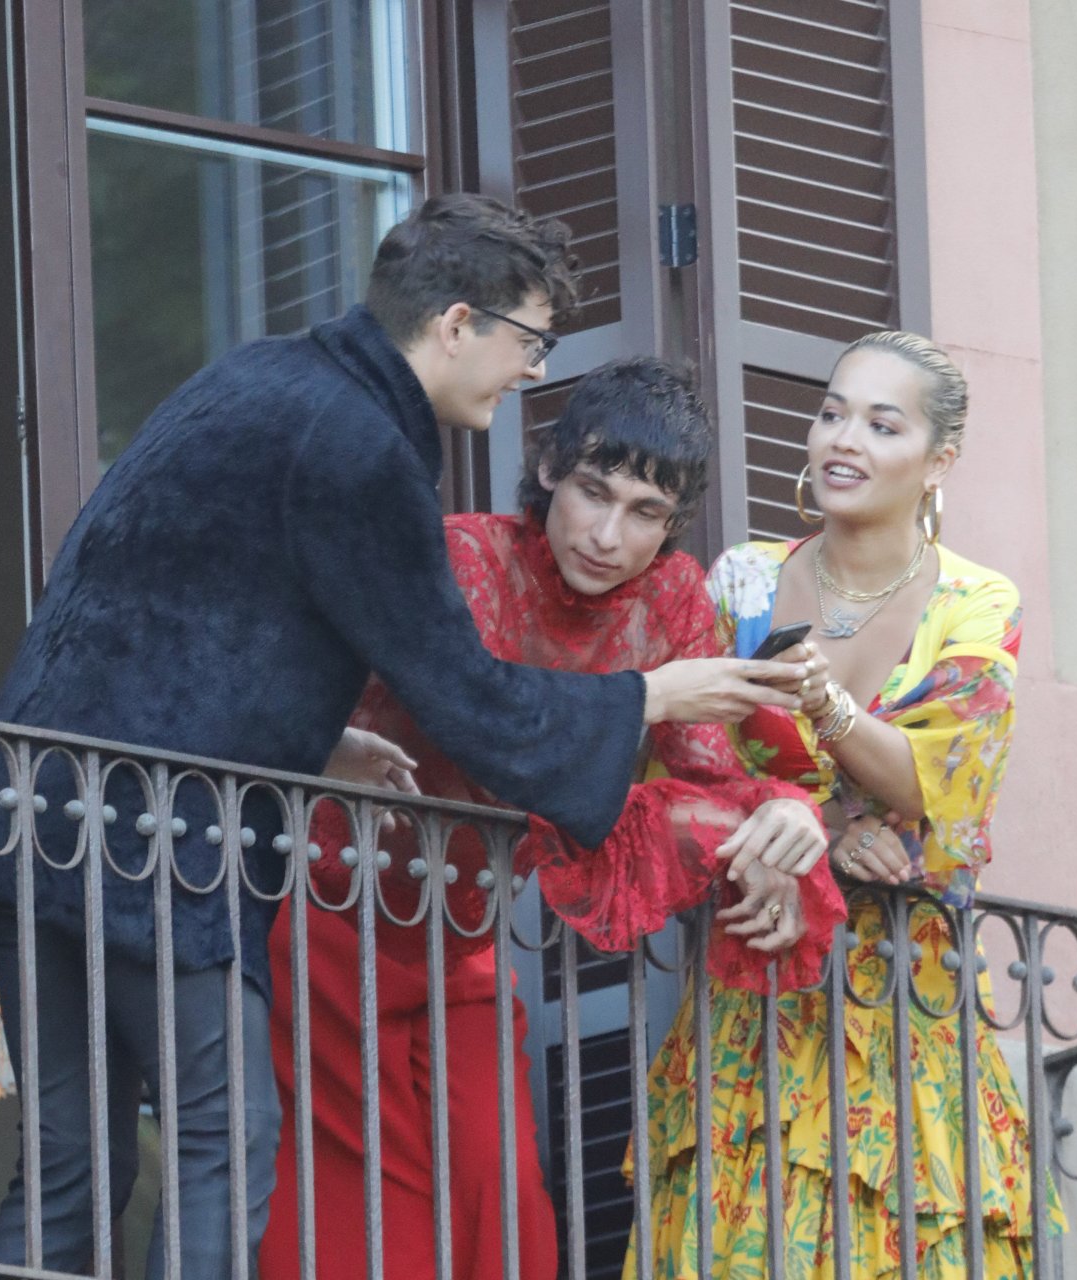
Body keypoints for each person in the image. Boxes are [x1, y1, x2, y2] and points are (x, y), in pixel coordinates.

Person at [0, 194, 810, 1278]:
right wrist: (647, 697)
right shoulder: (363, 447)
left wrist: (310, 738)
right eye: (529, 341)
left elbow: (187, 614)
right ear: (458, 323)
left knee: (70, 1167)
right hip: (157, 832)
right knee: (225, 1142)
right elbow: (471, 703)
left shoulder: (256, 378)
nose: (530, 371)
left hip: (24, 803)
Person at [259, 358, 846, 1280]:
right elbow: (487, 721)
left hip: (466, 941)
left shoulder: (672, 598)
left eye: (645, 512)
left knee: (507, 1209)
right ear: (547, 472)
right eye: (592, 492)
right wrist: (649, 695)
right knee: (367, 1218)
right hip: (328, 919)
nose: (608, 535)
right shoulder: (462, 556)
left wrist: (788, 815)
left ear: (674, 525)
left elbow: (707, 776)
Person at [635, 332, 1058, 1278]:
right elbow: (680, 771)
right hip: (757, 980)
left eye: (881, 424)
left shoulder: (976, 602)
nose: (843, 439)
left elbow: (936, 782)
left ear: (938, 461)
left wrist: (824, 704)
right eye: (832, 413)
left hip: (906, 989)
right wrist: (821, 832)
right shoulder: (743, 580)